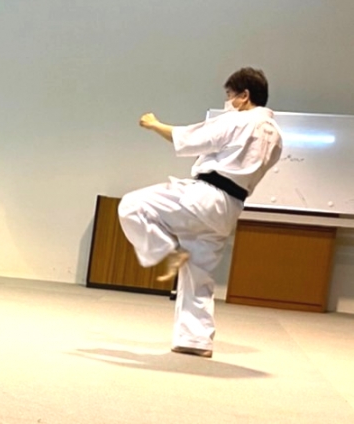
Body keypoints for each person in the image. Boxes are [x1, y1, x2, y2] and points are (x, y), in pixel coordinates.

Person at [118, 67, 282, 358]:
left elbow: (188, 138)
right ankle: (195, 340)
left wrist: (154, 124)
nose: (228, 102)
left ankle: (165, 251)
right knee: (198, 274)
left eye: (230, 95)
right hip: (229, 209)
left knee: (132, 206)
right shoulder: (276, 137)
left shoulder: (239, 120)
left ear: (245, 96)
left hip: (206, 196)